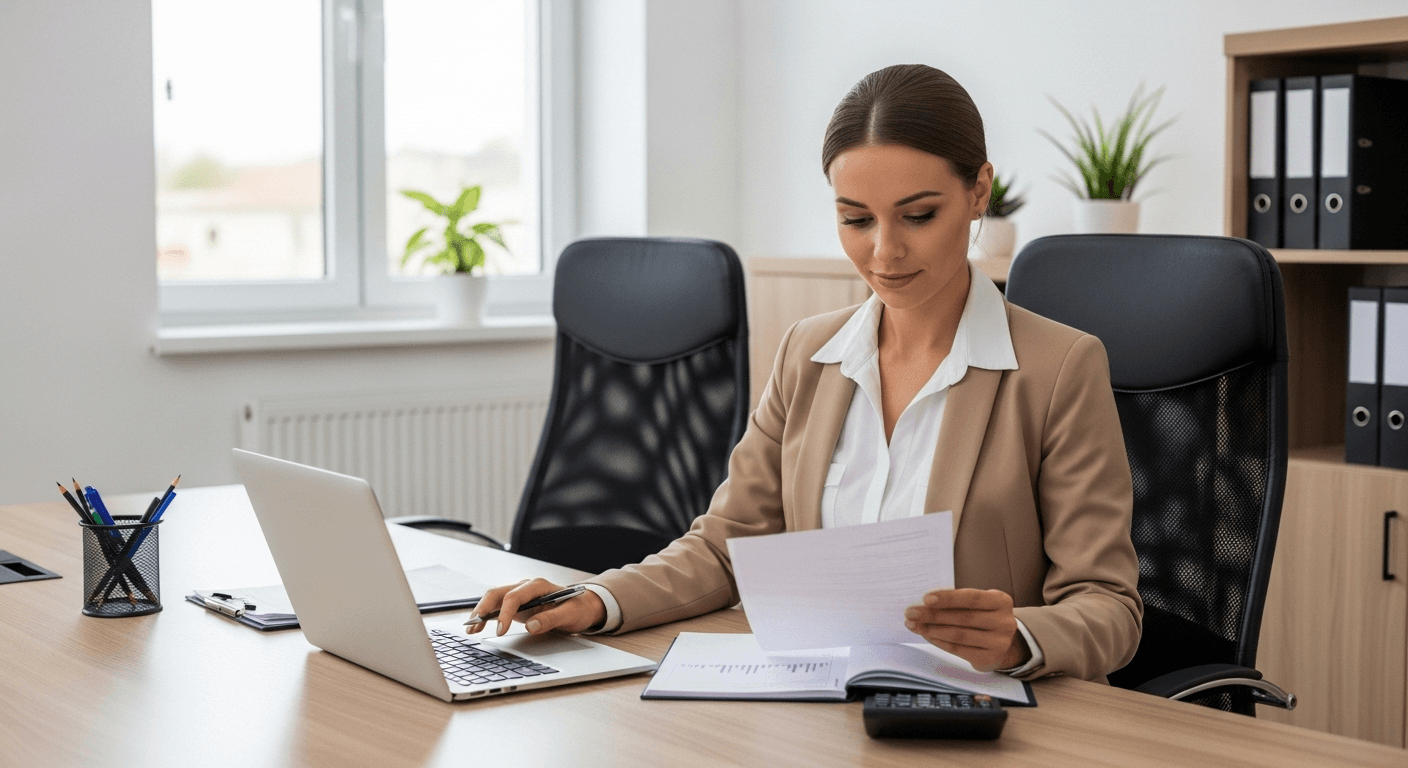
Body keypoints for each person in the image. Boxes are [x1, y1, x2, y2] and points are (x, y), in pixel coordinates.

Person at [469, 64, 1143, 682]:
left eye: (918, 215)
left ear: (978, 192)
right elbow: (725, 548)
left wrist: (1019, 636)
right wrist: (592, 599)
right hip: (815, 706)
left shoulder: (1058, 367)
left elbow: (1109, 606)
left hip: (973, 718)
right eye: (855, 219)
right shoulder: (810, 354)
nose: (884, 252)